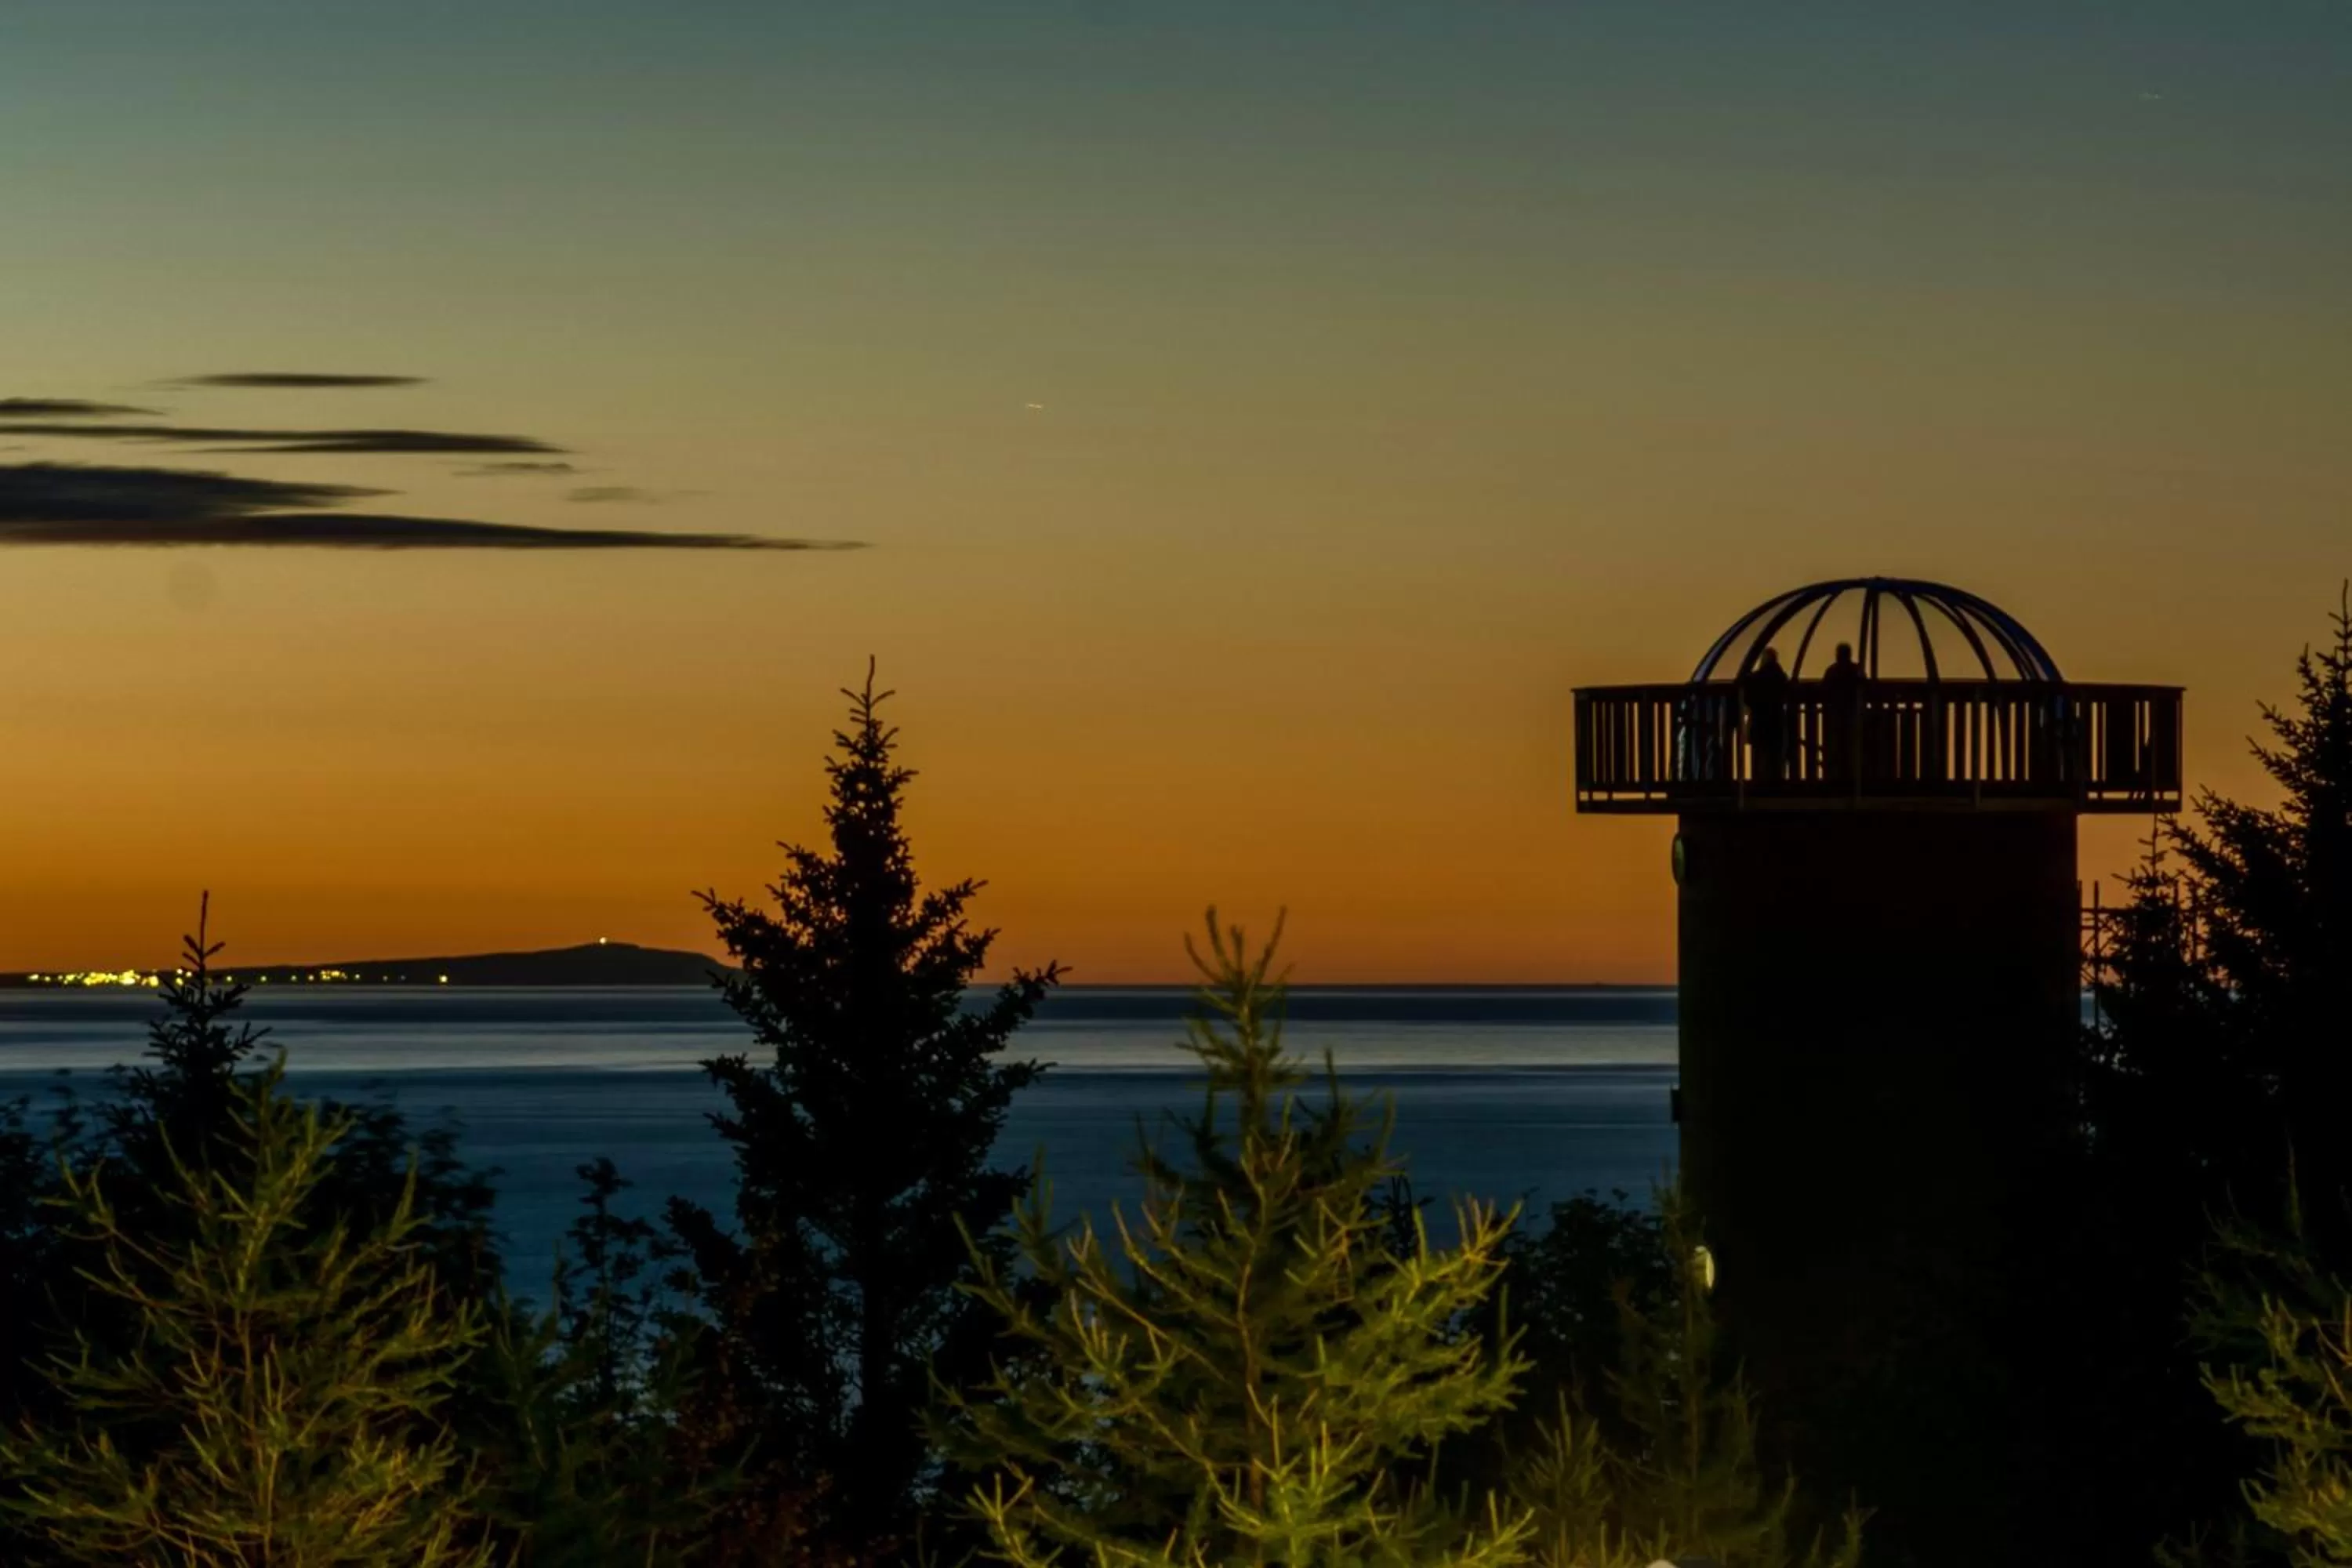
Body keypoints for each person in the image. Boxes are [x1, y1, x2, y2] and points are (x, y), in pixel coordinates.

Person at [1738, 646, 1791, 783]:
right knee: (1776, 755)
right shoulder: (1781, 677)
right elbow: (1786, 694)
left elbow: (1747, 697)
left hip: (1760, 722)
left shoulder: (1756, 678)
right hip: (1776, 721)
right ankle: (1776, 781)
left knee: (1760, 755)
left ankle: (1760, 782)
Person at [1819, 640, 1863, 782]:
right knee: (1851, 748)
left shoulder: (1832, 671)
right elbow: (1865, 687)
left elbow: (1824, 690)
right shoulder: (1856, 671)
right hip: (1852, 715)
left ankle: (1835, 777)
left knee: (1836, 748)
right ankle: (1850, 777)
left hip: (1835, 715)